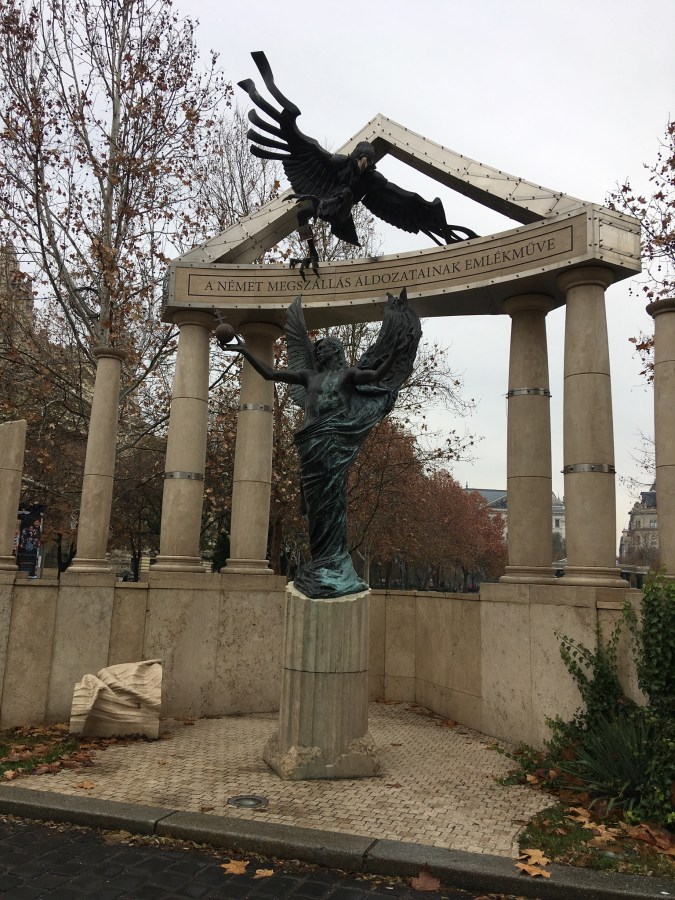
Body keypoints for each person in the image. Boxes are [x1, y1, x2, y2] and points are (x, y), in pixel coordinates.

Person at [219, 292, 421, 599]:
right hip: (310, 443)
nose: (318, 350)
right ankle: (321, 562)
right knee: (315, 504)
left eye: (323, 347)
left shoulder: (348, 375)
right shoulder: (308, 376)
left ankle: (334, 561)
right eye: (317, 347)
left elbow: (378, 374)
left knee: (333, 499)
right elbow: (271, 373)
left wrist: (396, 352)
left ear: (335, 351)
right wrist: (244, 350)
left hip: (334, 441)